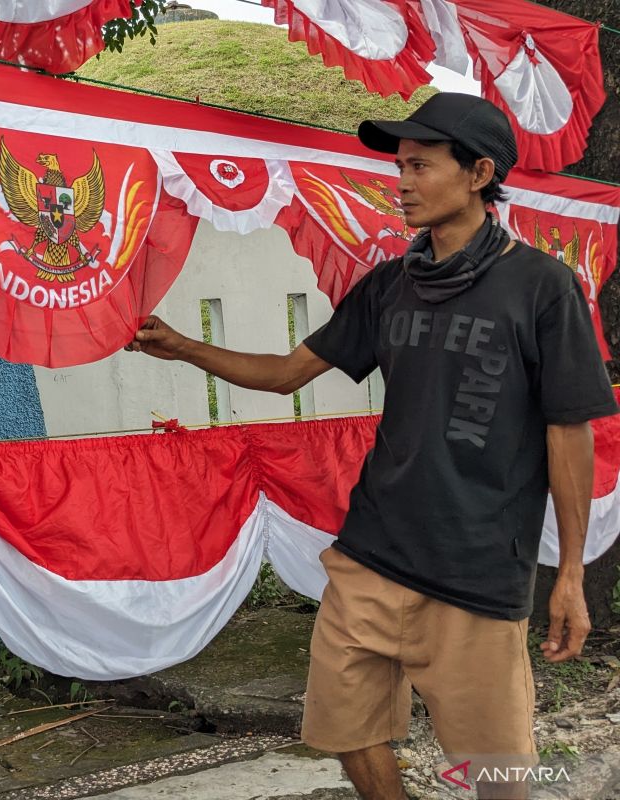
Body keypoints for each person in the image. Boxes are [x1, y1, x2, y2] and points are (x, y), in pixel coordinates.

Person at [126, 92, 617, 800]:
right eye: (400, 166)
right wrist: (184, 348)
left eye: (421, 165)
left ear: (480, 174)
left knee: (500, 775)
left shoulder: (542, 287)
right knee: (344, 726)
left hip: (476, 570)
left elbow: (568, 432)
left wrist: (569, 572)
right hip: (373, 552)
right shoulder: (391, 285)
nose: (403, 181)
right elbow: (290, 373)